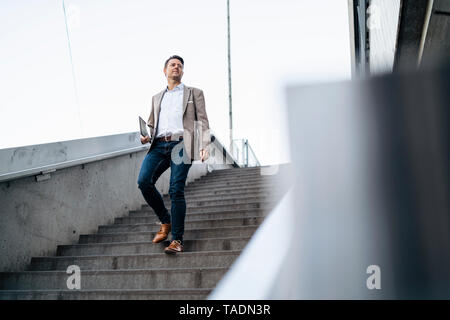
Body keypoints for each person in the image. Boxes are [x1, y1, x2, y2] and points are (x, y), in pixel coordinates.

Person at [137, 55, 211, 254]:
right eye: (172, 65)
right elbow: (152, 124)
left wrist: (204, 144)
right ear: (165, 70)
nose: (176, 67)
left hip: (182, 144)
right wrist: (146, 136)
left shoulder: (194, 93)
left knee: (175, 189)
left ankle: (177, 239)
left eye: (179, 66)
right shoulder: (156, 98)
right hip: (159, 145)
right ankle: (165, 220)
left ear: (183, 72)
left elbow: (202, 121)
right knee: (144, 181)